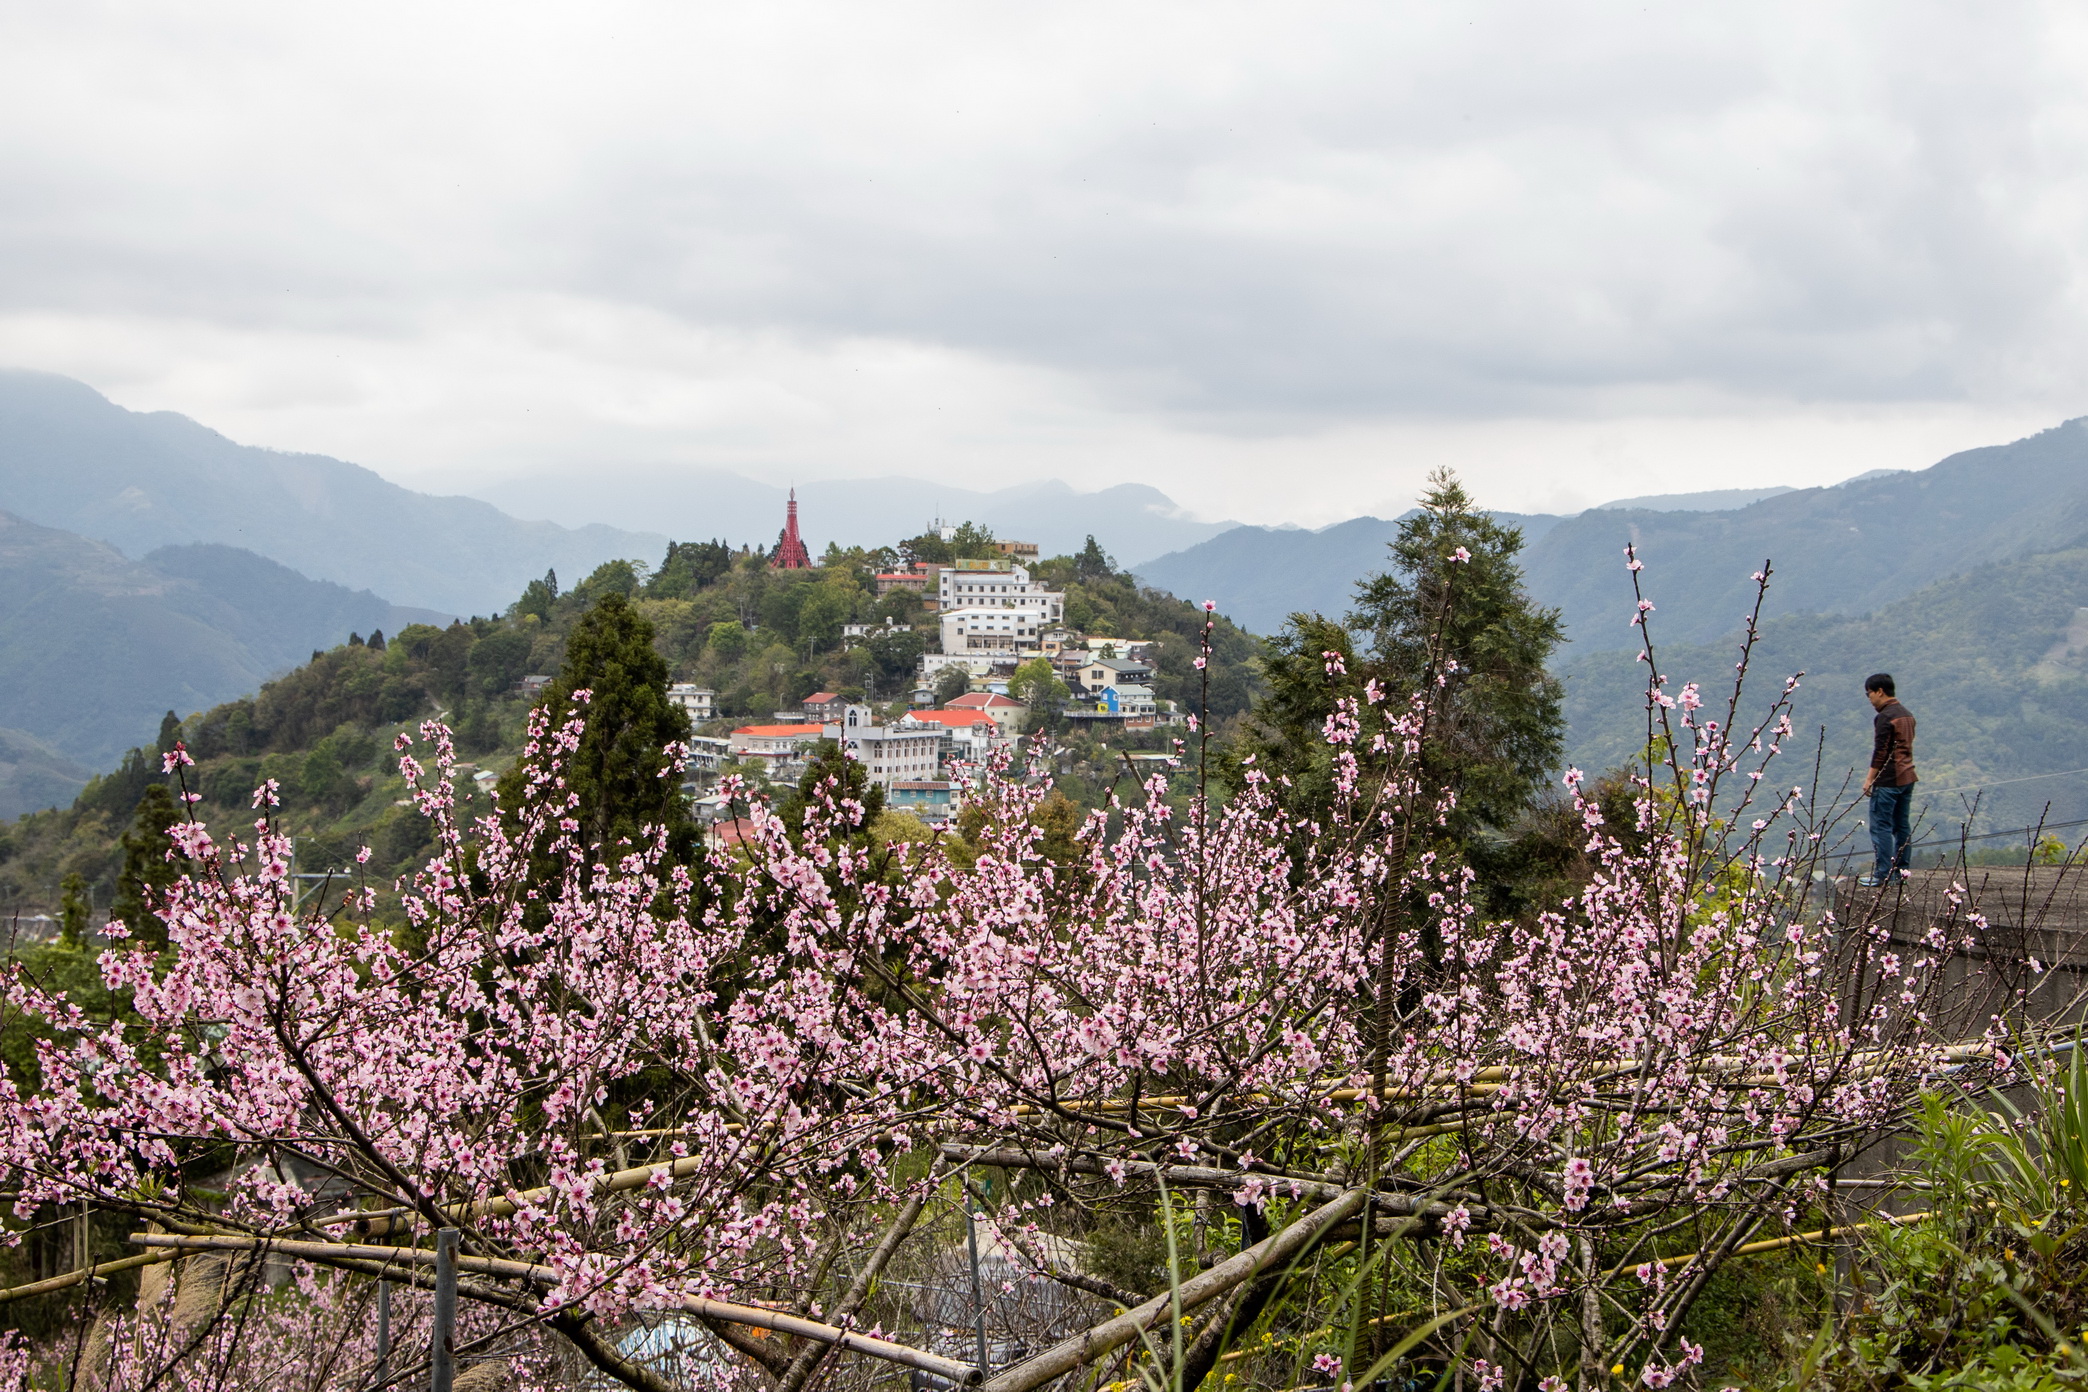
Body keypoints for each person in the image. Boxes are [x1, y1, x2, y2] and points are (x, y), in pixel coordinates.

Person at [1861, 673, 1917, 886]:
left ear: (1880, 691)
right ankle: (1902, 871)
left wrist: (1869, 779)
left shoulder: (1885, 717)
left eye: (1870, 694)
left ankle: (1883, 874)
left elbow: (1881, 752)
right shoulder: (1907, 715)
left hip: (1888, 780)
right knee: (1901, 826)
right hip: (1908, 777)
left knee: (1880, 827)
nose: (1870, 699)